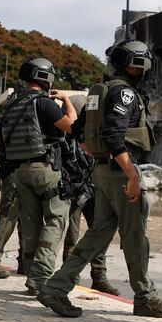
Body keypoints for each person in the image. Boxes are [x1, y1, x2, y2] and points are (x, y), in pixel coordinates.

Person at [38, 40, 162, 318]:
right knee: (135, 235)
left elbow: (77, 129)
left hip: (102, 170)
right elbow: (113, 134)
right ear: (138, 64)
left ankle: (56, 287)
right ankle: (146, 298)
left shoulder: (99, 91)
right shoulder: (124, 94)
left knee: (99, 233)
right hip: (120, 171)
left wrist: (97, 153)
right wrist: (130, 175)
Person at [0, 58, 77, 295]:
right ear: (46, 78)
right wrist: (66, 100)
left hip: (18, 171)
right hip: (44, 168)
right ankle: (41, 278)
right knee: (55, 220)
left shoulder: (11, 103)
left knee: (31, 224)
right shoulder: (43, 102)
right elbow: (72, 125)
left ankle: (32, 274)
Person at [61, 94, 119, 296]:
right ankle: (70, 278)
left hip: (94, 191)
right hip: (75, 192)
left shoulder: (96, 134)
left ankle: (99, 277)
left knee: (101, 234)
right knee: (72, 237)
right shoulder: (66, 136)